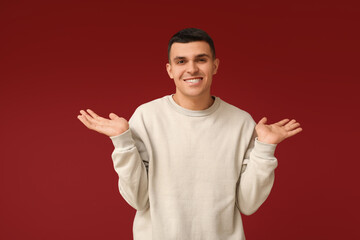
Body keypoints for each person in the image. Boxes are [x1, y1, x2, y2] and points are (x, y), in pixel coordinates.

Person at [77, 28, 302, 240]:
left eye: (201, 59)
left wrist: (265, 148)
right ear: (170, 70)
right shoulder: (146, 117)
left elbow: (248, 204)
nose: (192, 69)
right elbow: (138, 199)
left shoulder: (241, 122)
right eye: (181, 61)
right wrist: (123, 142)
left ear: (214, 66)